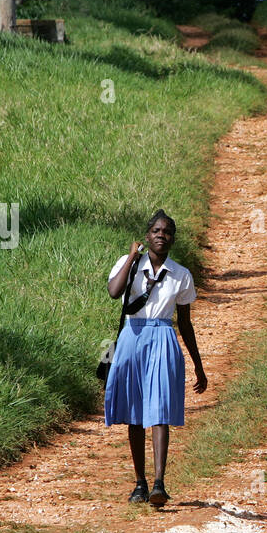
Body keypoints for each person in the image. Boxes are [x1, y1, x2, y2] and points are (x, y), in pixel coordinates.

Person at [104, 210, 208, 506]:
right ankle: (140, 483)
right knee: (134, 414)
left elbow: (185, 324)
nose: (162, 235)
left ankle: (159, 484)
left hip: (164, 336)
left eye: (168, 232)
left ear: (173, 239)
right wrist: (131, 259)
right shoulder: (129, 265)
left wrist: (198, 366)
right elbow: (114, 292)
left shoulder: (181, 275)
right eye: (157, 231)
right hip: (132, 337)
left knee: (160, 409)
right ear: (147, 236)